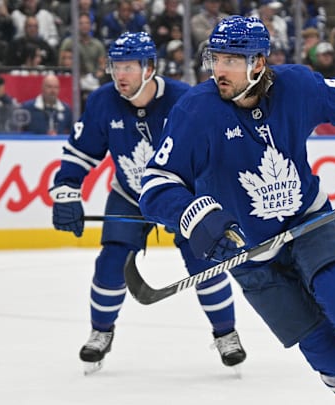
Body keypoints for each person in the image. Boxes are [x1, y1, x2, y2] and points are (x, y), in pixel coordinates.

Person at [139, 16, 335, 404]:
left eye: (232, 60)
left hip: (307, 218)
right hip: (246, 248)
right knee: (319, 347)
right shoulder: (195, 112)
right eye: (216, 58)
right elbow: (157, 184)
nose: (220, 69)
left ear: (258, 64)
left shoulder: (297, 86)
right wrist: (194, 213)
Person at [48, 32, 247, 374]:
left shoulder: (186, 100)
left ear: (150, 67)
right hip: (130, 195)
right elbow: (81, 152)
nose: (119, 75)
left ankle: (226, 333)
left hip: (182, 197)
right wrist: (67, 189)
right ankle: (101, 331)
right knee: (111, 261)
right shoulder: (102, 102)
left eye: (128, 66)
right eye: (115, 67)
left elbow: (219, 149)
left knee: (205, 261)